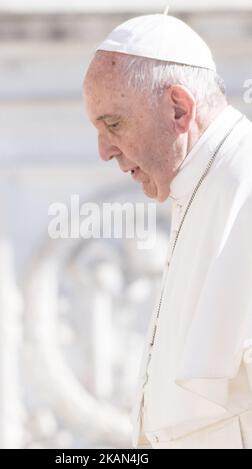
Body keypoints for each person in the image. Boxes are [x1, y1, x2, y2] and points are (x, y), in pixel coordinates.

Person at [83, 14, 252, 449]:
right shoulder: (198, 184)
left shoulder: (244, 178)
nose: (104, 152)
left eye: (113, 124)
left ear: (179, 108)